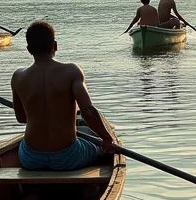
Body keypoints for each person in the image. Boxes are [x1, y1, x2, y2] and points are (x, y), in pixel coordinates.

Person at [11, 21, 117, 171]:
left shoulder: (18, 76)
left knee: (23, 146)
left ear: (29, 50)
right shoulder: (72, 71)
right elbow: (88, 112)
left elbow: (21, 118)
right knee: (99, 146)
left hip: (31, 158)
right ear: (55, 45)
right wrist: (107, 139)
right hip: (67, 156)